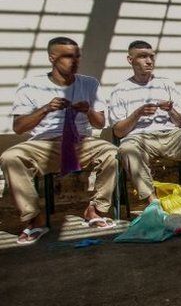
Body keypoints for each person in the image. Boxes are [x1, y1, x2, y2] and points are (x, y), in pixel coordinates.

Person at [0, 37, 118, 245]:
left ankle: (96, 210)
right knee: (10, 157)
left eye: (77, 56)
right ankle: (35, 219)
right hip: (45, 144)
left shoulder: (89, 83)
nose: (74, 61)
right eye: (68, 56)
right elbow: (19, 128)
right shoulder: (31, 85)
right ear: (52, 58)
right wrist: (45, 109)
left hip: (82, 142)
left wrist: (88, 110)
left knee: (113, 153)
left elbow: (100, 123)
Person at [109, 41, 181, 224]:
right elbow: (118, 132)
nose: (149, 61)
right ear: (130, 60)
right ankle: (153, 203)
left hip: (171, 135)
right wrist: (137, 113)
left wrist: (170, 110)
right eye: (142, 56)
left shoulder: (166, 84)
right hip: (140, 138)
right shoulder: (120, 90)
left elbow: (180, 122)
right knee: (126, 149)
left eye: (151, 56)